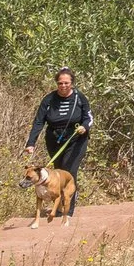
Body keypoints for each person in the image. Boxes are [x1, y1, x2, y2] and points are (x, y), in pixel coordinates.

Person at [25, 68, 93, 208]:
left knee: (69, 171)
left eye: (66, 83)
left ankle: (68, 211)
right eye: (60, 83)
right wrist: (31, 143)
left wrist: (84, 127)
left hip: (76, 139)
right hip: (54, 139)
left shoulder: (79, 98)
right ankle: (60, 204)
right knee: (58, 172)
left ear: (72, 83)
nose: (63, 86)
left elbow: (89, 117)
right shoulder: (49, 100)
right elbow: (39, 121)